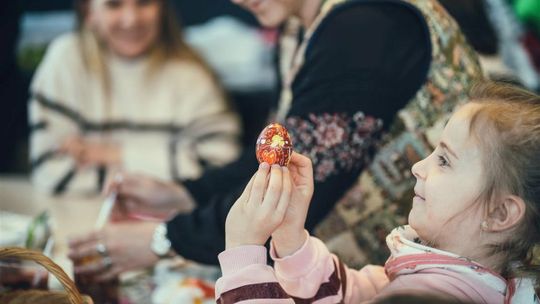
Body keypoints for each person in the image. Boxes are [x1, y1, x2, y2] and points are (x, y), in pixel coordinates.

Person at [67, 0, 483, 279]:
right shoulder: (304, 23)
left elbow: (287, 198)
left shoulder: (364, 28)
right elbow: (278, 156)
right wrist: (182, 195)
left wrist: (164, 240)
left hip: (446, 277)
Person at [215, 81, 540, 303]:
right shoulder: (446, 274)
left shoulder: (432, 299)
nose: (418, 167)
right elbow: (357, 294)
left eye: (444, 160)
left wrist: (243, 256)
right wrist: (290, 240)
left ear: (500, 213)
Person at [28, 0, 241, 195]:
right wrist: (168, 171)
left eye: (144, 2)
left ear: (162, 8)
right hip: (74, 219)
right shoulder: (66, 61)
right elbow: (51, 173)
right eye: (114, 5)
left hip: (163, 226)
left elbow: (221, 170)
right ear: (89, 12)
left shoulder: (192, 75)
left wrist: (110, 154)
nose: (131, 19)